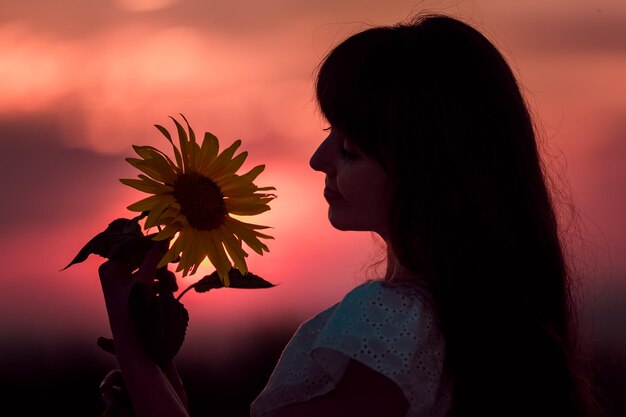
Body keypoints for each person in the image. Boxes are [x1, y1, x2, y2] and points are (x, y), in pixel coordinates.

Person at [98, 13, 602, 417]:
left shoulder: (390, 320)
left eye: (351, 148)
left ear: (424, 171)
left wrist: (133, 347)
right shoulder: (473, 324)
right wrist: (160, 390)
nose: (319, 159)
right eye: (329, 133)